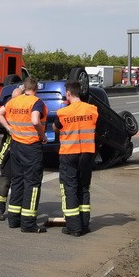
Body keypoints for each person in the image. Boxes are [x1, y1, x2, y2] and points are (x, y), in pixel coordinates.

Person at [0, 76, 48, 232]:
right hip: (31, 146)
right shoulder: (36, 102)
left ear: (24, 88)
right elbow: (35, 120)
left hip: (16, 146)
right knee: (32, 184)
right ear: (36, 88)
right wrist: (42, 136)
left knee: (17, 182)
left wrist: (10, 128)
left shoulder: (13, 101)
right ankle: (28, 223)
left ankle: (14, 219)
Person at [55, 81, 98, 236]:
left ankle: (74, 227)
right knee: (84, 187)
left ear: (68, 93)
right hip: (87, 153)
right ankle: (85, 224)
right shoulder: (92, 110)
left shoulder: (63, 112)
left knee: (70, 188)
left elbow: (56, 127)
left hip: (69, 153)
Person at [0, 74, 24, 220]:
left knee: (19, 180)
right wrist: (4, 126)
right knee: (5, 180)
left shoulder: (25, 108)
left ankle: (16, 209)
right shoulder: (7, 108)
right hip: (9, 151)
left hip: (22, 149)